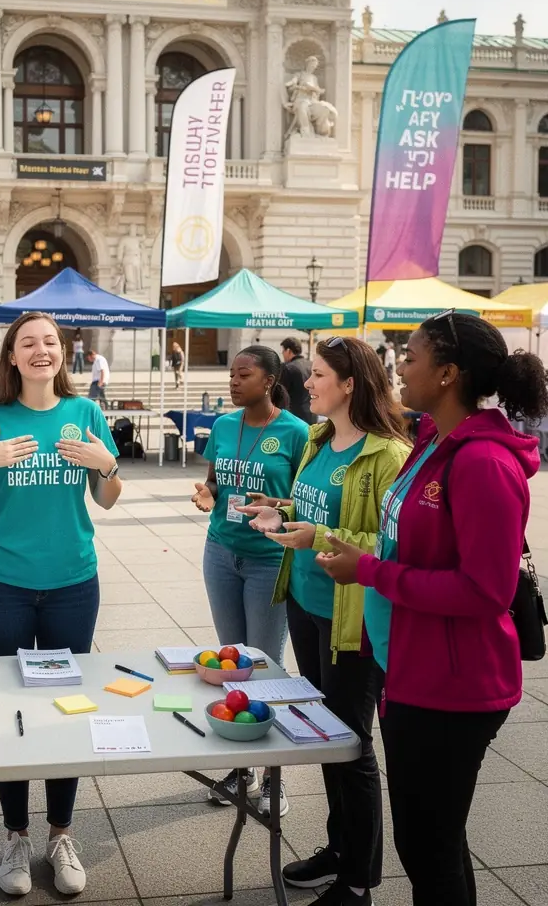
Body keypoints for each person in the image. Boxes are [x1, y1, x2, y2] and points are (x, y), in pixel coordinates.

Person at [319, 313, 547, 906]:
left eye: (412, 357)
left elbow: (485, 591)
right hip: (412, 670)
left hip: (454, 687)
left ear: (448, 374)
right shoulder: (431, 442)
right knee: (431, 843)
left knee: (429, 848)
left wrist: (370, 572)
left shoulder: (483, 463)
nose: (399, 367)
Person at [0, 311, 123, 896]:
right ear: (12, 356)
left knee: (66, 703)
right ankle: (16, 835)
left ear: (63, 352)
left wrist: (106, 465)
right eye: (29, 343)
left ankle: (61, 833)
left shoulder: (85, 413)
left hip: (73, 583)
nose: (41, 350)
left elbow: (108, 498)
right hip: (1, 583)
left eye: (50, 341)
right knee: (10, 706)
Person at [242, 337, 411, 905]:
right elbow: (310, 509)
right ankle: (339, 851)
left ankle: (358, 882)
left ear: (350, 384)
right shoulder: (319, 438)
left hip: (352, 620)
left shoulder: (388, 455)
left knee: (350, 746)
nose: (307, 383)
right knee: (324, 735)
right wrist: (280, 511)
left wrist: (320, 536)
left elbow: (391, 548)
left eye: (317, 375)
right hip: (307, 606)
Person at [190, 346, 309, 813]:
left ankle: (274, 776)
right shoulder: (224, 426)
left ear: (270, 381)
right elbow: (215, 480)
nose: (234, 382)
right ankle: (242, 768)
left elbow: (305, 499)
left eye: (244, 375)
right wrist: (207, 493)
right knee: (231, 664)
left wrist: (278, 510)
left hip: (269, 560)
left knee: (265, 667)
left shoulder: (297, 433)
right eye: (231, 375)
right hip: (221, 553)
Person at [279, 336, 316, 424]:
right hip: (313, 413)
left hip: (294, 417)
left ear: (288, 351)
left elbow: (281, 394)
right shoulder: (311, 365)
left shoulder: (288, 368)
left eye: (283, 351)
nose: (282, 354)